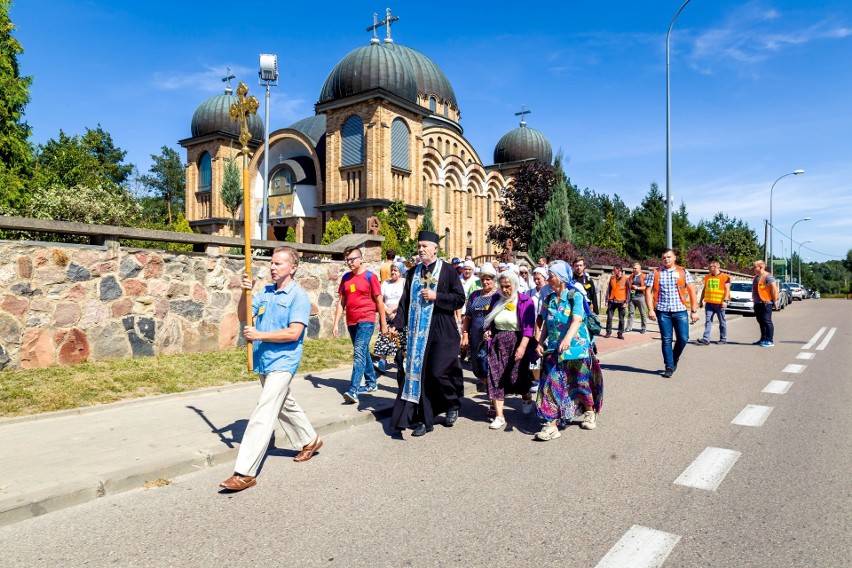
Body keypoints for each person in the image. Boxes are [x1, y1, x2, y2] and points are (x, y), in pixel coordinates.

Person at [219, 247, 322, 492]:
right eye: (272, 263)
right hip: (264, 360)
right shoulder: (265, 292)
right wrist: (246, 291)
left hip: (284, 362)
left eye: (278, 264)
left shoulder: (298, 297)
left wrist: (260, 334)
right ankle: (310, 440)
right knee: (285, 403)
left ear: (293, 267)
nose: (273, 267)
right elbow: (244, 316)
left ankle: (245, 472)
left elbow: (294, 332)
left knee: (263, 412)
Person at [390, 231, 467, 437]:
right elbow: (405, 301)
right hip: (419, 333)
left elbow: (459, 299)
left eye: (425, 246)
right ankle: (424, 418)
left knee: (438, 372)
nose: (421, 249)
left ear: (435, 248)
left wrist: (437, 296)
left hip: (442, 329)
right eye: (419, 246)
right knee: (422, 375)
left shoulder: (448, 271)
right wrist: (396, 324)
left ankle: (452, 404)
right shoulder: (414, 272)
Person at [533, 261, 604, 441]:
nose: (548, 278)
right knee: (551, 385)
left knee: (580, 384)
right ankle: (551, 425)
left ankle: (589, 411)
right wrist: (540, 342)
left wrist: (567, 339)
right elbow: (547, 324)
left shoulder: (575, 296)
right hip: (554, 350)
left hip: (576, 349)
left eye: (551, 275)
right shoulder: (548, 299)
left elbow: (578, 320)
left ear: (562, 278)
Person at [332, 245, 387, 404]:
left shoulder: (371, 277)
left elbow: (379, 301)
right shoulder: (346, 278)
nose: (349, 262)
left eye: (352, 259)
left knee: (358, 353)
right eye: (347, 260)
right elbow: (341, 302)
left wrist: (383, 324)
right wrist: (336, 323)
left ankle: (353, 390)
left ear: (361, 259)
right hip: (351, 321)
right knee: (362, 351)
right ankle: (371, 382)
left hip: (366, 320)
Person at [483, 270, 536, 429]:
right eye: (502, 286)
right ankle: (500, 416)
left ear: (515, 285)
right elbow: (489, 321)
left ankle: (526, 397)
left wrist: (522, 346)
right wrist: (488, 333)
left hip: (517, 341)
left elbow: (528, 328)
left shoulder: (526, 301)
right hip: (498, 343)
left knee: (516, 377)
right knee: (495, 376)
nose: (505, 289)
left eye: (508, 286)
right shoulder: (495, 299)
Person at [644, 249, 699, 378]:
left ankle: (674, 358)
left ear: (674, 258)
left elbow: (692, 292)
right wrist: (651, 309)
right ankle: (669, 366)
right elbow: (648, 292)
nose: (666, 259)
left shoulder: (683, 272)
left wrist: (694, 311)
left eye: (669, 257)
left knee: (683, 339)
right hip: (663, 312)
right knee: (666, 339)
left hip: (680, 311)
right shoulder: (655, 273)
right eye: (664, 257)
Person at [461, 263, 498, 394]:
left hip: (492, 339)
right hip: (476, 337)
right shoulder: (475, 295)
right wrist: (465, 335)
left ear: (494, 279)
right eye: (482, 279)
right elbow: (468, 317)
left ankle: (493, 401)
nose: (485, 282)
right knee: (478, 370)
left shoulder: (498, 296)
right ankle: (491, 392)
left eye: (488, 279)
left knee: (490, 369)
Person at [373, 262, 407, 371]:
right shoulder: (385, 283)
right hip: (387, 314)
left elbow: (404, 299)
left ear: (401, 272)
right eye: (392, 270)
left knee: (402, 340)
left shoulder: (404, 283)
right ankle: (382, 362)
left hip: (400, 315)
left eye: (395, 270)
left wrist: (393, 310)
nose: (393, 272)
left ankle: (405, 362)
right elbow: (379, 299)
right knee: (385, 338)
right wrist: (387, 310)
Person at [528, 267, 551, 394]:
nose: (536, 281)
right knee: (535, 356)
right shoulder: (530, 292)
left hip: (549, 328)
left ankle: (546, 379)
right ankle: (537, 380)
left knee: (547, 356)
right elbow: (538, 315)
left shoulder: (548, 292)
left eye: (539, 279)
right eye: (535, 278)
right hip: (536, 327)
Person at [697, 260, 731, 345]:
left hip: (720, 304)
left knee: (722, 322)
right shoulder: (707, 277)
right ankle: (706, 339)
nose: (708, 268)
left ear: (715, 267)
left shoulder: (725, 277)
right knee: (708, 321)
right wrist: (701, 300)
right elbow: (705, 289)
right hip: (709, 303)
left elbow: (727, 290)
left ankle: (723, 339)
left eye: (710, 267)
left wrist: (725, 301)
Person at [751, 260, 779, 347]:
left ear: (761, 267)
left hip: (766, 302)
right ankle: (763, 339)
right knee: (761, 322)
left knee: (767, 321)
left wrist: (774, 301)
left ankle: (769, 340)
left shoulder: (768, 276)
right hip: (758, 302)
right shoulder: (756, 277)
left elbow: (774, 289)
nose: (753, 268)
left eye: (755, 267)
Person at [604, 265, 630, 339]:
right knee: (609, 317)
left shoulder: (626, 278)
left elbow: (628, 291)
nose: (613, 271)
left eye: (614, 269)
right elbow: (608, 290)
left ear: (619, 270)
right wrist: (607, 300)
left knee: (621, 318)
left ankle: (620, 333)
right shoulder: (612, 278)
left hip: (621, 301)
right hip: (612, 300)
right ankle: (608, 332)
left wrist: (626, 302)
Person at [625, 262, 647, 334]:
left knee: (643, 313)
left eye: (635, 268)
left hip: (641, 297)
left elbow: (646, 287)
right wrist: (630, 290)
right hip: (632, 297)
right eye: (633, 268)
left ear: (639, 269)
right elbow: (628, 286)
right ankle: (629, 327)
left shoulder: (644, 276)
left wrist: (637, 288)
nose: (634, 269)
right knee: (631, 312)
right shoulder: (631, 276)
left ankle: (643, 328)